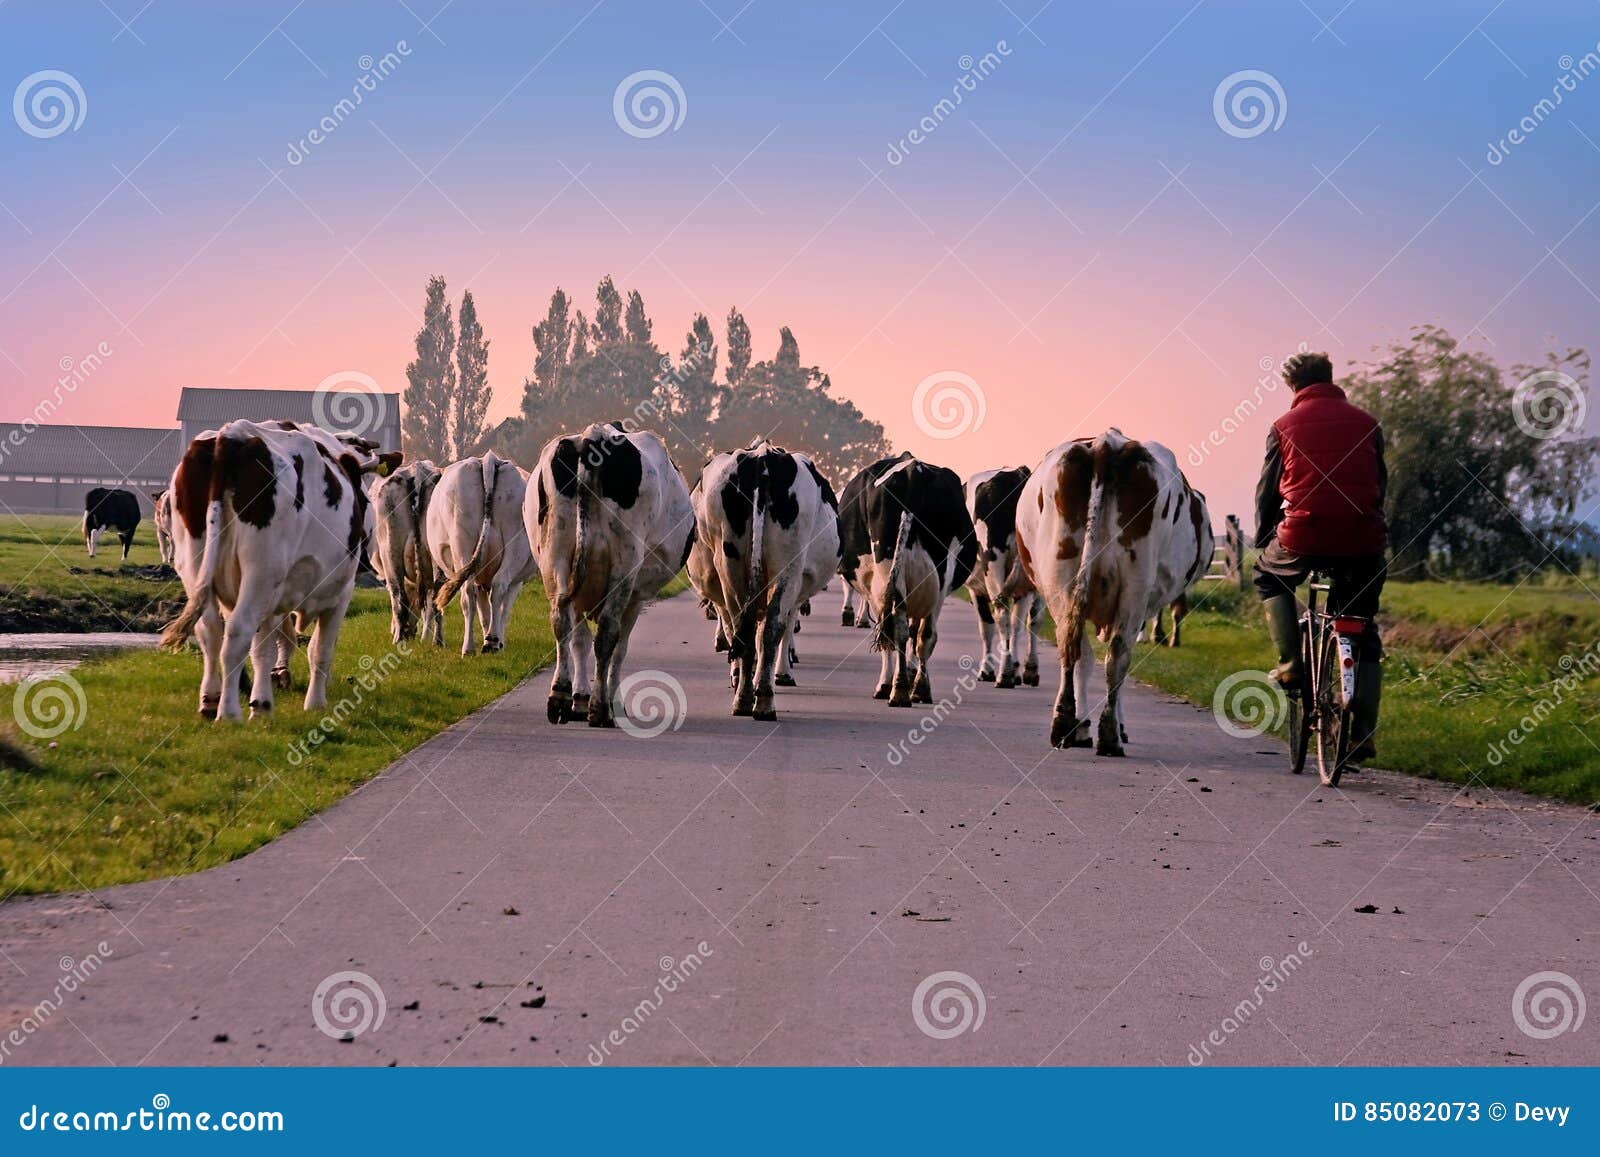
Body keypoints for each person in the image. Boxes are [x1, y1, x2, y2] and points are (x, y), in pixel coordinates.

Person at [1254, 351, 1387, 762]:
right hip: (1363, 539)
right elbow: (1380, 484)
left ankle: (1291, 663)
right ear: (1330, 378)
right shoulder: (1368, 423)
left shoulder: (1282, 426)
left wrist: (1263, 537)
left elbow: (1268, 490)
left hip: (1302, 536)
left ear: (1293, 387)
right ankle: (1363, 730)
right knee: (1361, 628)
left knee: (1267, 576)